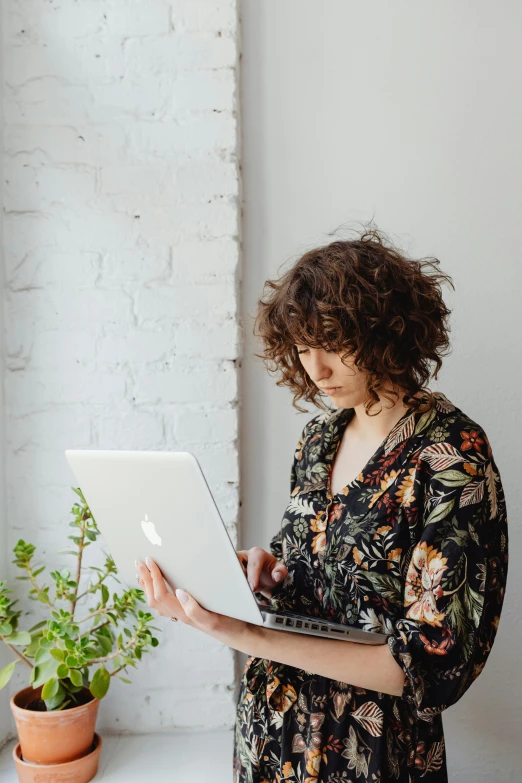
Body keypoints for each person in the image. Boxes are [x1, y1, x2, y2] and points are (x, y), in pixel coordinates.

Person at [136, 226, 509, 783]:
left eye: (332, 343)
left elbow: (431, 667)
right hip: (270, 733)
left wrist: (243, 634)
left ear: (384, 331)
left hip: (369, 755)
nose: (315, 369)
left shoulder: (452, 457)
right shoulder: (317, 440)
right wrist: (267, 572)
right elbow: (312, 570)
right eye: (302, 348)